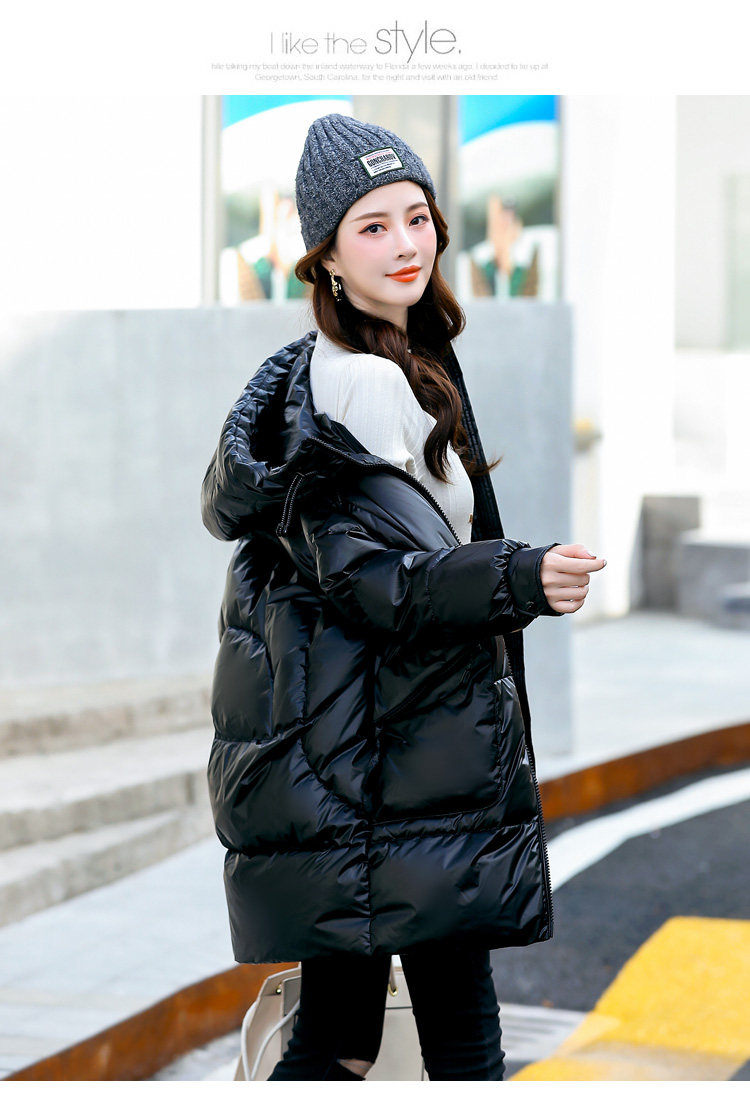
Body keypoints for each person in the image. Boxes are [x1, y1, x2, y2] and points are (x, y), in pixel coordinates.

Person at [201, 113, 606, 1081]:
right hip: (397, 756)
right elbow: (377, 583)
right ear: (327, 257)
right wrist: (520, 576)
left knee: (340, 1036)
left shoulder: (350, 369)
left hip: (367, 748)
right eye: (372, 226)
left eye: (416, 217)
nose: (404, 244)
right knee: (459, 1044)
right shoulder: (366, 388)